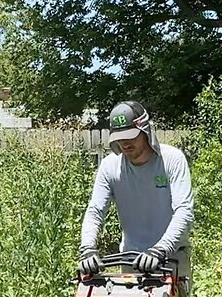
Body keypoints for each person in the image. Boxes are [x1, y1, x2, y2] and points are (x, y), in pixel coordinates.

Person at [77, 101, 193, 284]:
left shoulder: (171, 160)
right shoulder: (110, 167)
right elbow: (95, 211)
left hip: (171, 260)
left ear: (145, 130)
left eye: (130, 136)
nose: (124, 142)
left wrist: (160, 249)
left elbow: (184, 211)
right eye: (120, 137)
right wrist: (88, 248)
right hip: (131, 260)